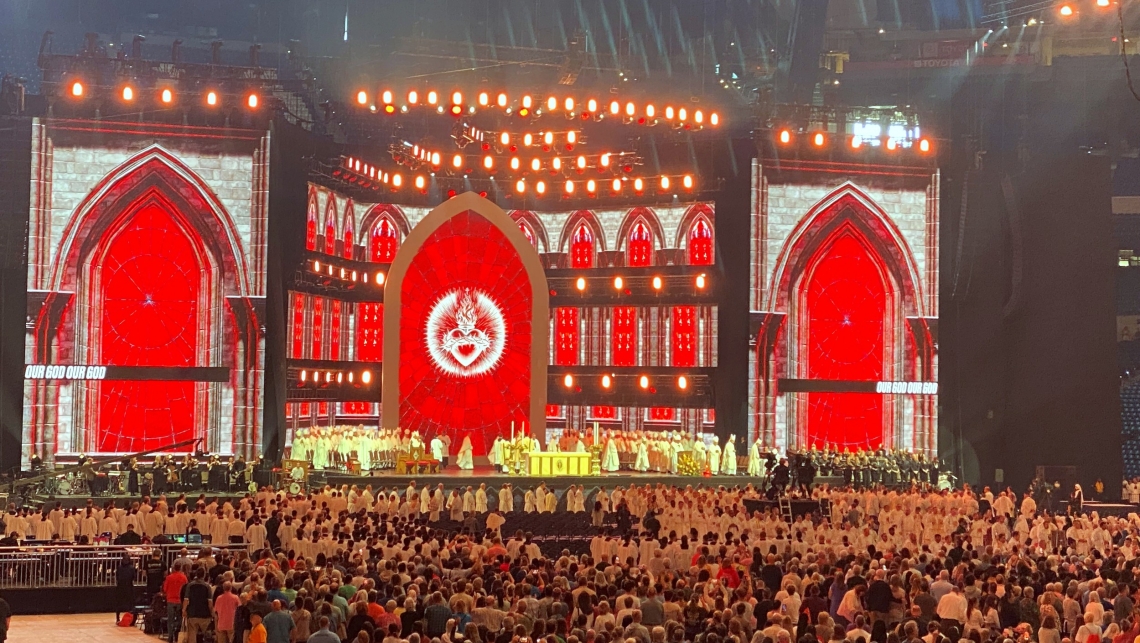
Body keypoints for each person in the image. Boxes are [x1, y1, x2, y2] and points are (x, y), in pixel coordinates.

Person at [114, 552, 136, 624]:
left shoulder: (119, 567)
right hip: (129, 587)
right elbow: (133, 577)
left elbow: (117, 577)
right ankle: (131, 619)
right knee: (130, 604)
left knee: (119, 603)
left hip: (120, 587)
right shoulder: (132, 568)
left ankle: (117, 618)